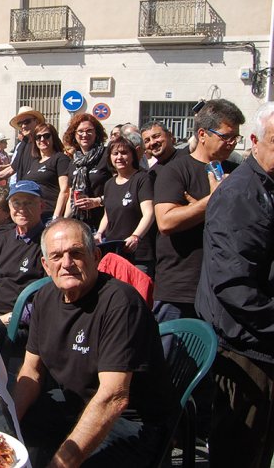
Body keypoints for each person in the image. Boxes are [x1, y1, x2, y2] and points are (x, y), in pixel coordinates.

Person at [13, 218, 175, 468]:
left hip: (129, 422)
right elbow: (31, 371)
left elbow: (114, 398)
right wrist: (11, 425)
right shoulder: (45, 297)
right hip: (75, 403)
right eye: (56, 256)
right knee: (5, 437)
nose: (67, 264)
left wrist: (59, 464)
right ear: (46, 265)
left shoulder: (120, 302)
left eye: (76, 253)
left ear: (96, 256)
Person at [196, 102, 274, 468]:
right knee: (240, 450)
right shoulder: (241, 195)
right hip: (248, 347)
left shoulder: (266, 186)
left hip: (260, 339)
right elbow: (236, 285)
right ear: (255, 141)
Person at [154, 99, 245, 321]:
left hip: (224, 287)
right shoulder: (175, 171)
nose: (232, 143)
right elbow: (166, 222)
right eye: (226, 137)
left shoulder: (238, 173)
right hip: (181, 290)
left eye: (236, 137)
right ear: (203, 134)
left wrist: (194, 207)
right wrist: (212, 201)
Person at [0, 181, 46, 346]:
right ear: (9, 207)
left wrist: (10, 317)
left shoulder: (48, 244)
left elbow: (47, 300)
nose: (21, 208)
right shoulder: (3, 239)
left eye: (29, 202)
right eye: (16, 203)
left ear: (42, 206)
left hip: (20, 324)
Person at [95, 137, 155, 275]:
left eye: (124, 153)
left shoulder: (142, 179)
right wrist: (99, 233)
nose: (119, 157)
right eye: (115, 153)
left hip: (138, 253)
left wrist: (136, 236)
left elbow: (149, 213)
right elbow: (107, 214)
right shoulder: (109, 184)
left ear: (132, 155)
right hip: (114, 252)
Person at [63, 112, 111, 231]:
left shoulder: (107, 155)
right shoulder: (74, 161)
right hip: (79, 224)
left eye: (89, 130)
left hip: (103, 221)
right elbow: (71, 199)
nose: (84, 134)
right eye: (80, 131)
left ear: (96, 133)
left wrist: (97, 201)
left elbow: (119, 190)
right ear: (74, 134)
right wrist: (64, 222)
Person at [23, 123, 70, 221]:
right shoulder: (35, 162)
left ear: (53, 137)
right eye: (38, 137)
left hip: (49, 215)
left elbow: (65, 191)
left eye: (46, 136)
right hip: (32, 215)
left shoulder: (60, 158)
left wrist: (56, 218)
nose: (42, 139)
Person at [0, 106, 45, 184]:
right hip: (21, 188)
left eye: (27, 122)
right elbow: (12, 168)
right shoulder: (23, 144)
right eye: (20, 124)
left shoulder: (43, 142)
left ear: (36, 121)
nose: (23, 126)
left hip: (38, 190)